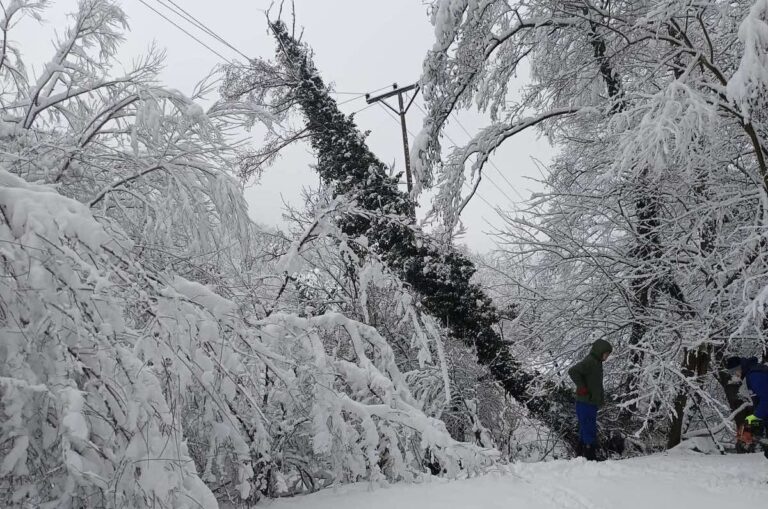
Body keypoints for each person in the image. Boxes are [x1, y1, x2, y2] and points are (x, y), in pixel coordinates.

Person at [568, 338, 613, 460]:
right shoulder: (590, 361)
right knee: (588, 429)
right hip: (585, 402)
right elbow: (573, 371)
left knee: (585, 428)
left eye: (608, 355)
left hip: (590, 402)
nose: (607, 357)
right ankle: (590, 457)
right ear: (599, 351)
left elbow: (595, 383)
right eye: (606, 354)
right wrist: (582, 387)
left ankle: (580, 456)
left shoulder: (597, 363)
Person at [726, 356, 768, 457]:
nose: (734, 375)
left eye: (734, 371)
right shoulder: (752, 374)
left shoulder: (755, 374)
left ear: (739, 368)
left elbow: (766, 398)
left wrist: (756, 416)